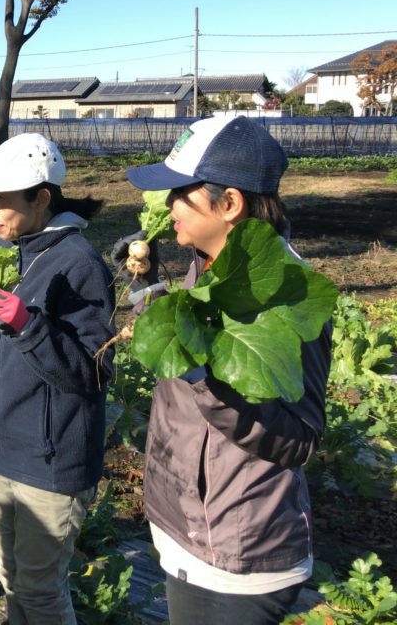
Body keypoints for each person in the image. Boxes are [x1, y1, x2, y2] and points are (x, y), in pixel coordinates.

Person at [115, 116, 332, 624]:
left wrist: (206, 382)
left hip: (241, 552)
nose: (168, 207)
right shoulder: (208, 262)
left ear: (229, 203)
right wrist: (149, 294)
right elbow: (192, 331)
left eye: (180, 194)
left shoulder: (289, 296)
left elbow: (298, 440)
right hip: (182, 525)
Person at [0, 133, 115, 625]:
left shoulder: (79, 263)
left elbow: (92, 371)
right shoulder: (16, 251)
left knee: (41, 592)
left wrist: (28, 326)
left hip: (50, 460)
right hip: (4, 452)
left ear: (42, 197)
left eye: (2, 199)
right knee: (13, 577)